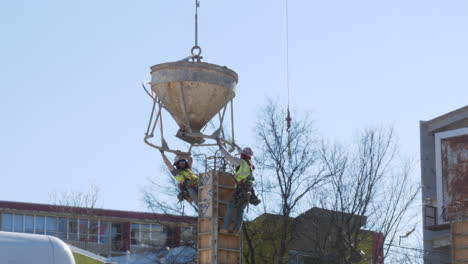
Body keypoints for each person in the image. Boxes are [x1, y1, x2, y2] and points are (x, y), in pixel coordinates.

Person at [217, 141, 261, 234]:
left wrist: (220, 146)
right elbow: (243, 154)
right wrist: (238, 147)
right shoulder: (251, 165)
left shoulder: (240, 162)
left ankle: (225, 228)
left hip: (241, 189)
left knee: (231, 206)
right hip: (249, 191)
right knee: (240, 211)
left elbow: (228, 156)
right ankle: (237, 230)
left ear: (242, 155)